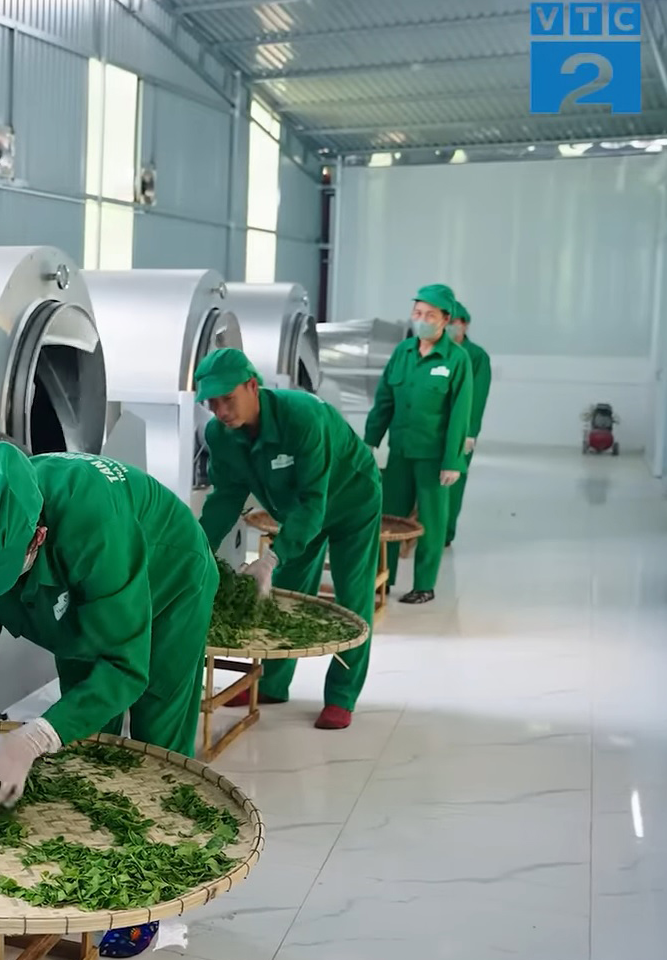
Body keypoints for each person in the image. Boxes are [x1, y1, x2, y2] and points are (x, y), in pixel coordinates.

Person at [0, 441, 217, 959]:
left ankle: (155, 898)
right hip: (83, 594)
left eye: (2, 574)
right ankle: (90, 857)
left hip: (169, 583)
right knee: (83, 724)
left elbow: (123, 667)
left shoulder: (93, 524)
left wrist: (33, 738)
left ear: (37, 538)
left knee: (156, 732)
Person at [193, 348, 382, 730]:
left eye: (227, 398)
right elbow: (225, 498)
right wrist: (197, 549)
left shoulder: (302, 417)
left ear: (252, 386)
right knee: (286, 593)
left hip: (352, 503)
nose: (221, 411)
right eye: (212, 403)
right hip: (298, 514)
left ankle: (341, 696)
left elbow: (314, 500)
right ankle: (273, 685)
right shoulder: (220, 434)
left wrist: (270, 557)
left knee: (352, 596)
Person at [364, 283, 473, 605]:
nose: (421, 320)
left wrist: (452, 461)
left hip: (434, 457)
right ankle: (383, 579)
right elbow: (384, 400)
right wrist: (369, 442)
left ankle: (424, 585)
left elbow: (460, 415)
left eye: (429, 315)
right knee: (389, 518)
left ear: (445, 320)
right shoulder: (403, 352)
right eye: (417, 313)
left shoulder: (457, 359)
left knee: (431, 523)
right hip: (400, 452)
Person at [444, 300, 491, 549]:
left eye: (454, 322)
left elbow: (478, 396)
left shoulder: (476, 356)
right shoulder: (435, 351)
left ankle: (445, 532)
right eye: (446, 321)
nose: (449, 327)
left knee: (453, 481)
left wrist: (470, 432)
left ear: (465, 325)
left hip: (460, 430)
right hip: (432, 427)